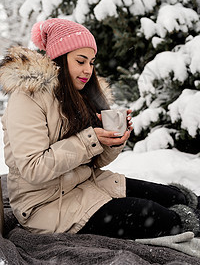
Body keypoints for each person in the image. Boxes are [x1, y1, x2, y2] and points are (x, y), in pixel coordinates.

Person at [0, 18, 199, 239]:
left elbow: (94, 161)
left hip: (86, 184)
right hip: (46, 206)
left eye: (92, 62)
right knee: (164, 219)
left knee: (174, 196)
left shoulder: (77, 94)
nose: (88, 70)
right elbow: (33, 168)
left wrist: (110, 141)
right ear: (59, 59)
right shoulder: (28, 97)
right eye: (81, 61)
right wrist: (89, 140)